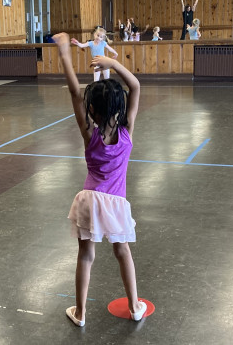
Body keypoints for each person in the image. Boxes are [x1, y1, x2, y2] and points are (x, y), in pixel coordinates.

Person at [53, 32, 146, 327]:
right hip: (116, 202)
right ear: (120, 107)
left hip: (89, 200)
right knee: (122, 251)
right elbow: (135, 85)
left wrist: (66, 53)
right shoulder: (127, 130)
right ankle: (134, 306)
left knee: (85, 255)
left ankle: (80, 313)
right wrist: (112, 63)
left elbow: (72, 91)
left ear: (91, 108)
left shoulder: (89, 133)